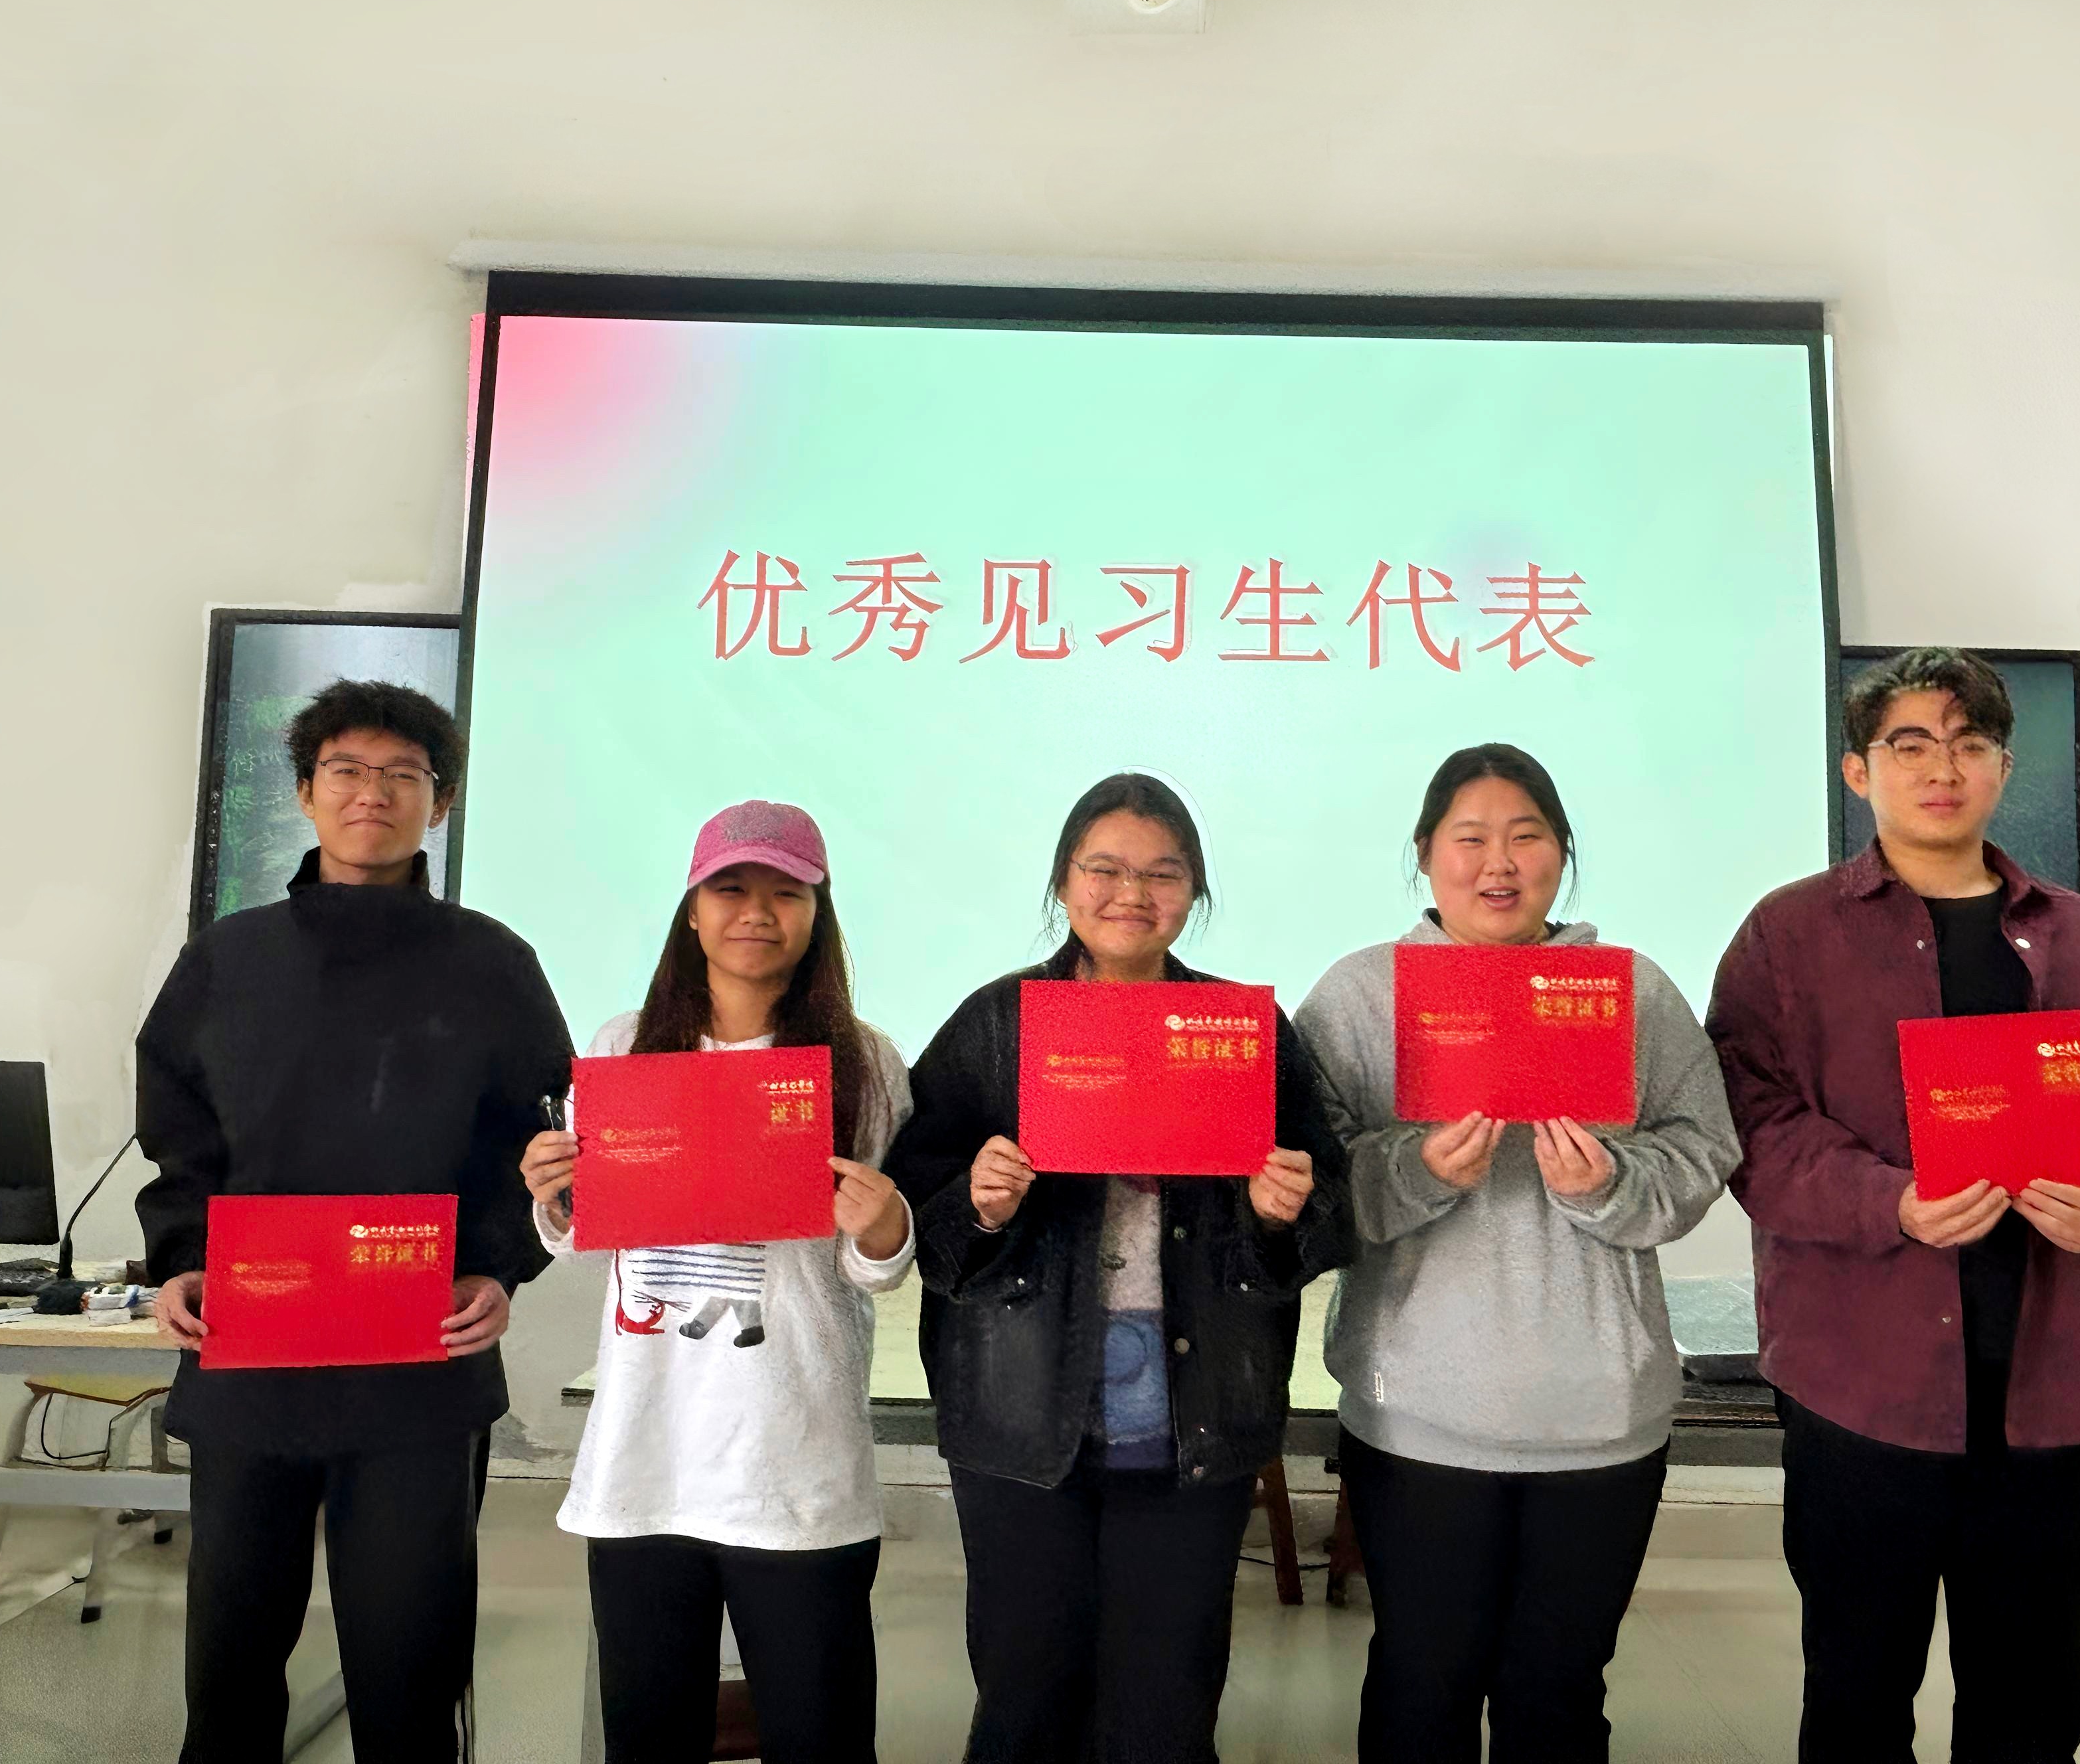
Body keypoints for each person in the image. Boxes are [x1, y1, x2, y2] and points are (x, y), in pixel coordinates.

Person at [1706, 647, 2080, 1764]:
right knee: (1856, 1691)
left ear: (2001, 768)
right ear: (1858, 770)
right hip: (1860, 1383)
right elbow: (1753, 1123)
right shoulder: (1789, 936)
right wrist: (1889, 1200)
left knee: (2031, 1701)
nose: (1943, 768)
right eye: (1911, 745)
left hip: (2046, 1385)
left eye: (1970, 743)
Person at [135, 679, 570, 1763]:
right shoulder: (227, 961)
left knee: (410, 1674)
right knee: (229, 1670)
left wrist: (498, 1268)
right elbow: (180, 1137)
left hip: (419, 1359)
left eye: (401, 775)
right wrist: (181, 1261)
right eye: (346, 771)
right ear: (305, 792)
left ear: (440, 803)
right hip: (252, 1347)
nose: (372, 793)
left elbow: (544, 1141)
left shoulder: (493, 964)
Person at [883, 772, 1354, 1764]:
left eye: (1163, 873)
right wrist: (978, 1201)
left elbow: (1328, 1213)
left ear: (1195, 891)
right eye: (1104, 869)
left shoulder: (1244, 1032)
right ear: (1063, 882)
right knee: (1025, 1692)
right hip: (1019, 1405)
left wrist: (1280, 1213)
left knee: (1166, 1702)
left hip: (1197, 1402)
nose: (1131, 894)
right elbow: (913, 1207)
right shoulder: (996, 1023)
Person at [1293, 743, 1741, 1764]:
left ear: (1562, 853)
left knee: (1560, 1692)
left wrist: (1609, 1183)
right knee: (1421, 1685)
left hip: (1601, 1421)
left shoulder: (1632, 993)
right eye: (1471, 839)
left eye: (1527, 837)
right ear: (1425, 854)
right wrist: (1415, 1170)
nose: (1499, 863)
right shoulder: (1361, 996)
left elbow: (1704, 1149)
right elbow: (1311, 1185)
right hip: (1416, 1420)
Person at [519, 801, 915, 1764]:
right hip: (645, 1458)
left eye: (787, 893)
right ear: (691, 911)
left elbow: (874, 1270)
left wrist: (885, 1227)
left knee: (821, 1739)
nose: (756, 912)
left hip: (799, 1462)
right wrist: (555, 1194)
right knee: (648, 1737)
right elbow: (585, 1236)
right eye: (730, 888)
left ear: (818, 914)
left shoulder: (863, 1062)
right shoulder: (624, 1045)